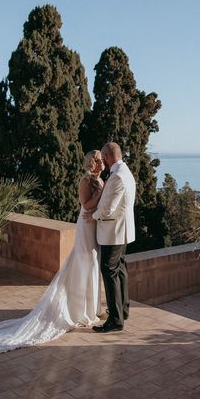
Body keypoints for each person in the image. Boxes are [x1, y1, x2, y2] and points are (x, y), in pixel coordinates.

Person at [0, 150, 105, 354]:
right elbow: (85, 205)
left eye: (102, 159)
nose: (102, 162)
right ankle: (81, 310)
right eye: (99, 159)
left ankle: (90, 308)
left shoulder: (100, 179)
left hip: (94, 225)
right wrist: (101, 194)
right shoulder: (86, 181)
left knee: (92, 262)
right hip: (86, 224)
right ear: (92, 162)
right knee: (84, 262)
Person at [84, 142, 136, 333]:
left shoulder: (117, 177)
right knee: (120, 269)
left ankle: (115, 320)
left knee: (109, 271)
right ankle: (123, 310)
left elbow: (108, 209)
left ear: (107, 156)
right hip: (123, 231)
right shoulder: (126, 173)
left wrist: (94, 216)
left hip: (113, 232)